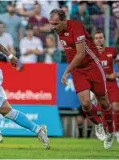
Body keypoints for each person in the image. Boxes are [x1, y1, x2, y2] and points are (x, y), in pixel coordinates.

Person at [49, 9, 114, 149]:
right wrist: (71, 70)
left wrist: (66, 72)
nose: (53, 26)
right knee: (85, 103)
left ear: (64, 21)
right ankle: (98, 124)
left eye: (55, 23)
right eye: (51, 23)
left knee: (103, 101)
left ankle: (110, 130)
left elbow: (80, 54)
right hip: (78, 69)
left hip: (92, 65)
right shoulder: (58, 31)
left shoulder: (76, 27)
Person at [94, 31, 119, 143]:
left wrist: (116, 74)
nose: (99, 40)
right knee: (105, 109)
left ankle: (117, 132)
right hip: (100, 85)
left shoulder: (111, 51)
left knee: (116, 107)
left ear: (104, 39)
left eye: (101, 37)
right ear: (94, 41)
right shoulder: (92, 54)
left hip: (112, 84)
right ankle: (108, 133)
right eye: (96, 38)